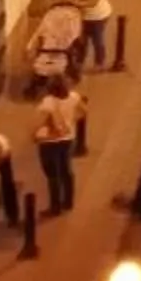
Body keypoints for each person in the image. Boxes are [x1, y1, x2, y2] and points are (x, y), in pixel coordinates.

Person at [32, 79, 85, 214]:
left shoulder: (48, 102)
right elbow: (83, 111)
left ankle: (55, 207)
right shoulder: (74, 96)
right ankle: (68, 202)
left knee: (52, 175)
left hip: (49, 141)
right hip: (67, 138)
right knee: (66, 170)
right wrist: (72, 121)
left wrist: (34, 135)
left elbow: (40, 120)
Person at [69, 0, 112, 69]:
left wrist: (76, 3)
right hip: (84, 16)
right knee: (82, 40)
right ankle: (79, 62)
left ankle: (99, 62)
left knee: (97, 40)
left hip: (98, 16)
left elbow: (93, 2)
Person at [31, 0, 84, 82]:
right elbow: (41, 32)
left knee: (53, 63)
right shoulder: (49, 27)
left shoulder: (69, 27)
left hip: (62, 49)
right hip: (50, 48)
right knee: (43, 63)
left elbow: (73, 34)